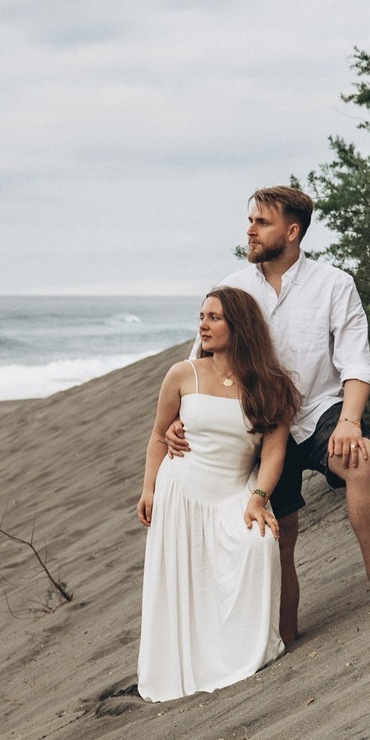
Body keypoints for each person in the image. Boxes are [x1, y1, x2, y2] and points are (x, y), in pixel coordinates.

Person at [167, 185, 370, 644]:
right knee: (277, 534)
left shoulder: (334, 284)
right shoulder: (234, 287)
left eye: (262, 222)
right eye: (250, 221)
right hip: (256, 425)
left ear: (292, 231)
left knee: (361, 457)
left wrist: (350, 422)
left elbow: (356, 363)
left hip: (318, 410)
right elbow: (200, 360)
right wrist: (182, 417)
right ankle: (284, 635)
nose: (250, 230)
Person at [135, 287, 293, 701]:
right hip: (180, 492)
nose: (203, 325)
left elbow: (273, 452)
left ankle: (244, 654)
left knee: (259, 544)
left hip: (236, 492)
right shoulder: (182, 374)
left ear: (239, 326)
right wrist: (149, 488)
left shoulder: (271, 385)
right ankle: (184, 670)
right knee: (186, 583)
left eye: (214, 318)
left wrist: (258, 498)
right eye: (201, 317)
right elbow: (158, 435)